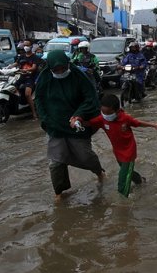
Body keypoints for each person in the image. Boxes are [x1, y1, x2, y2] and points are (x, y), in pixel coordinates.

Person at [35, 50, 105, 202]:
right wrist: (46, 119)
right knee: (56, 162)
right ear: (50, 68)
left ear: (68, 64)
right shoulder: (44, 78)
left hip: (77, 124)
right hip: (54, 124)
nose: (60, 72)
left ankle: (99, 172)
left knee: (85, 156)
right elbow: (39, 100)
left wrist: (79, 114)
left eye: (63, 69)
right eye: (56, 70)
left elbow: (90, 98)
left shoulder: (79, 76)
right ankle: (59, 192)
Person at [83, 94, 157, 197]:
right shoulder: (102, 119)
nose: (106, 115)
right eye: (103, 112)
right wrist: (77, 120)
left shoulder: (125, 118)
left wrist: (154, 125)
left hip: (129, 152)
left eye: (108, 113)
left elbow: (138, 123)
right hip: (117, 152)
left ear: (116, 110)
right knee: (129, 172)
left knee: (123, 178)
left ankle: (123, 199)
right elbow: (88, 123)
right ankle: (141, 181)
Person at [13, 40, 39, 119]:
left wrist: (26, 70)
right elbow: (16, 64)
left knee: (27, 94)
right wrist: (8, 67)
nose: (25, 47)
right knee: (12, 88)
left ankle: (34, 113)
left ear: (31, 46)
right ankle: (21, 102)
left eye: (27, 45)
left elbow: (34, 67)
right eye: (24, 45)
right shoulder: (22, 56)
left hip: (30, 78)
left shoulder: (35, 57)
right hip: (21, 77)